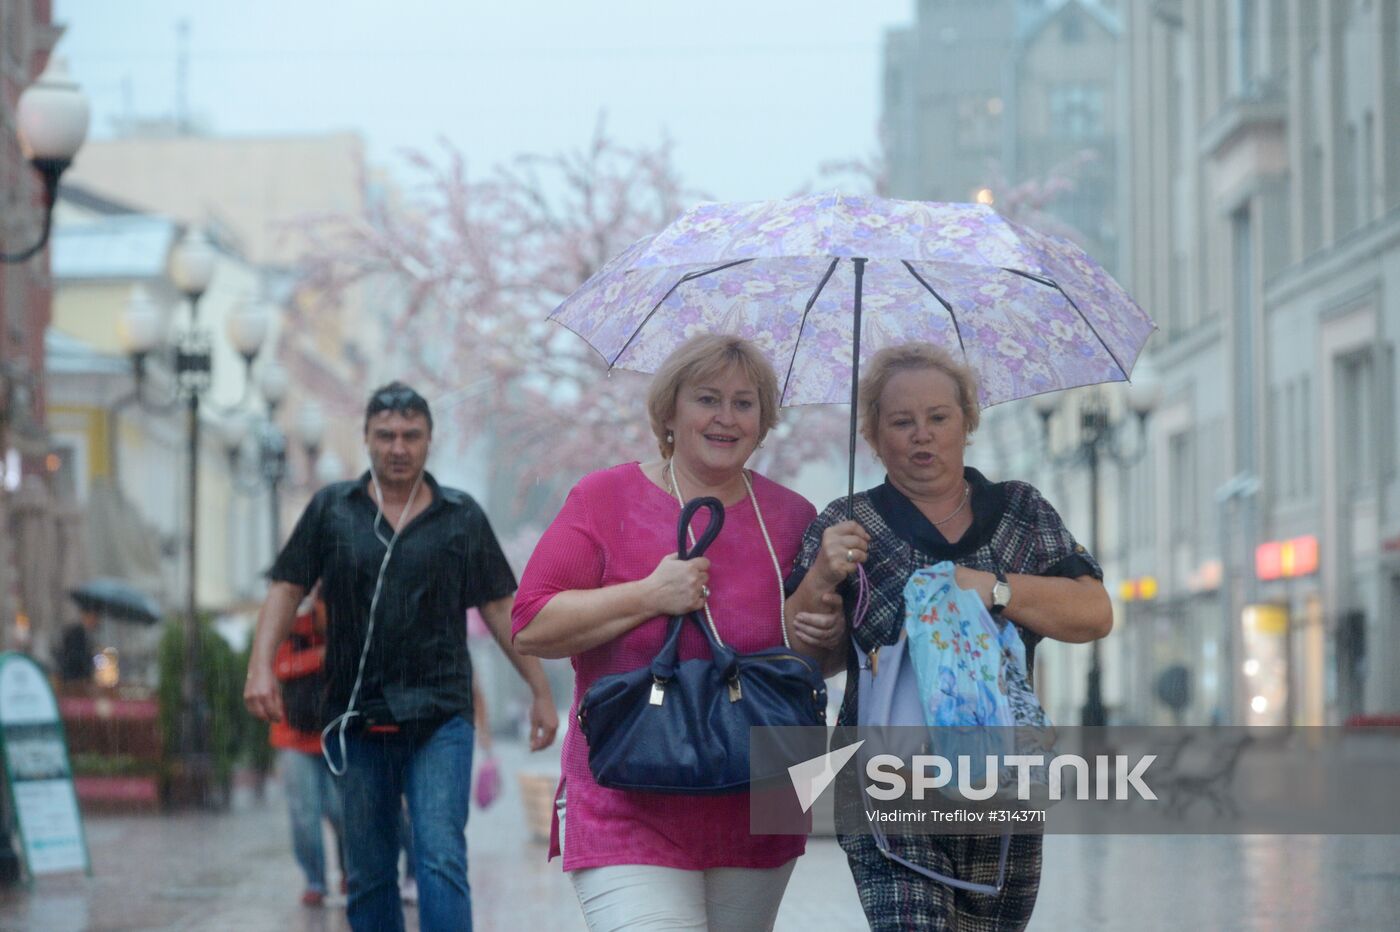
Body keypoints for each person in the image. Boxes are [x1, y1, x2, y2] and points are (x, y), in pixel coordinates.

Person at [511, 334, 843, 932]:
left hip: (755, 799)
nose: (725, 418)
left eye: (745, 403)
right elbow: (531, 623)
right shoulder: (604, 499)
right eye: (707, 399)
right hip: (625, 802)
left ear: (764, 420)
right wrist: (648, 596)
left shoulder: (792, 518)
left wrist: (828, 631)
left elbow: (811, 665)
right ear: (669, 411)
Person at [786, 342, 1112, 931]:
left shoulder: (1020, 512)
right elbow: (803, 655)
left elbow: (1094, 613)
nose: (922, 436)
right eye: (901, 422)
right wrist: (820, 577)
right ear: (874, 434)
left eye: (939, 418)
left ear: (968, 421)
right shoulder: (847, 524)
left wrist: (992, 587)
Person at [244, 381, 559, 932]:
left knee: (440, 858)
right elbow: (287, 586)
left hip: (440, 715)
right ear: (366, 437)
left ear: (429, 441)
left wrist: (538, 691)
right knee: (368, 872)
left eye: (411, 435)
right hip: (356, 715)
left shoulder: (460, 517)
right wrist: (259, 668)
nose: (398, 447)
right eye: (386, 435)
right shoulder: (331, 511)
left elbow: (501, 609)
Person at [269, 585, 345, 907]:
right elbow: (278, 668)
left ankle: (349, 873)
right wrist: (318, 657)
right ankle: (314, 880)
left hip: (335, 736)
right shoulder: (292, 627)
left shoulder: (350, 631)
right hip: (294, 738)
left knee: (343, 812)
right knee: (304, 814)